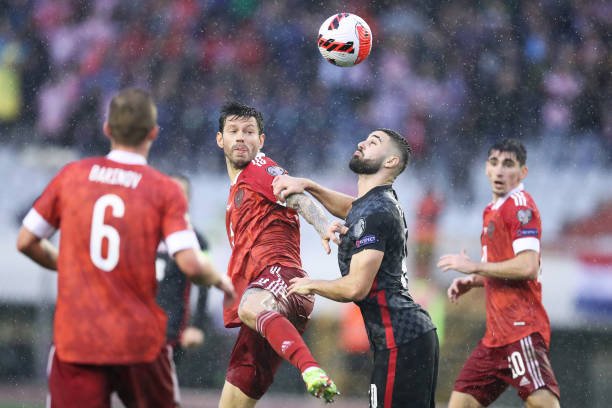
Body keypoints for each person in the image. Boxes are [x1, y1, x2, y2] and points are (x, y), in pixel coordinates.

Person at [16, 88, 235, 408]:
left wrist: (69, 264)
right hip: (138, 340)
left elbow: (26, 240)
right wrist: (219, 280)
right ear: (153, 133)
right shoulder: (163, 189)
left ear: (107, 129)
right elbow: (190, 264)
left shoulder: (72, 176)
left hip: (78, 337)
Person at [273, 128, 439, 408]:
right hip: (406, 337)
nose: (362, 142)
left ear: (391, 161)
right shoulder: (377, 203)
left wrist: (310, 284)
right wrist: (309, 185)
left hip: (400, 338)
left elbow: (356, 287)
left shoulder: (377, 212)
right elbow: (352, 208)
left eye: (374, 142)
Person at [215, 101, 339, 407]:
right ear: (220, 139)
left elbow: (295, 196)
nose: (241, 137)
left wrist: (323, 224)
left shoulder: (259, 168)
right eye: (233, 131)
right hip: (267, 306)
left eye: (249, 131)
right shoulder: (237, 191)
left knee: (249, 307)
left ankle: (310, 368)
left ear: (261, 140)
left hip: (282, 278)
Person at [437, 138, 560, 408]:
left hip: (521, 328)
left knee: (543, 403)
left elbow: (527, 266)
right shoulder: (491, 211)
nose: (500, 170)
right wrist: (473, 280)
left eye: (508, 164)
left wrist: (475, 267)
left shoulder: (520, 207)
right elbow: (502, 268)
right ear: (486, 168)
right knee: (461, 403)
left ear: (523, 172)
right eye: (494, 162)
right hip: (495, 337)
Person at [156, 174, 214, 365]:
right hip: (138, 327)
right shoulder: (144, 233)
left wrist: (198, 326)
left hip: (171, 330)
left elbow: (205, 285)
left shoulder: (197, 240)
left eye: (180, 193)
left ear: (188, 200)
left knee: (163, 382)